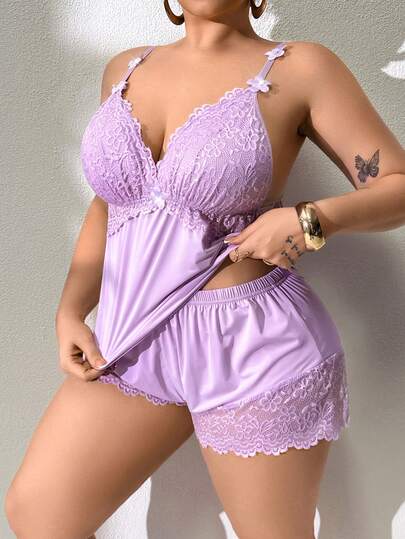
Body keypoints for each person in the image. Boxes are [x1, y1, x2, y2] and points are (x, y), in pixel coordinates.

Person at [5, 1, 405, 538]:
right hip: (131, 339)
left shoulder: (302, 67)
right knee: (39, 512)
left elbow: (397, 187)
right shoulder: (125, 68)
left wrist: (311, 219)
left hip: (252, 347)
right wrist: (72, 308)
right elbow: (112, 202)